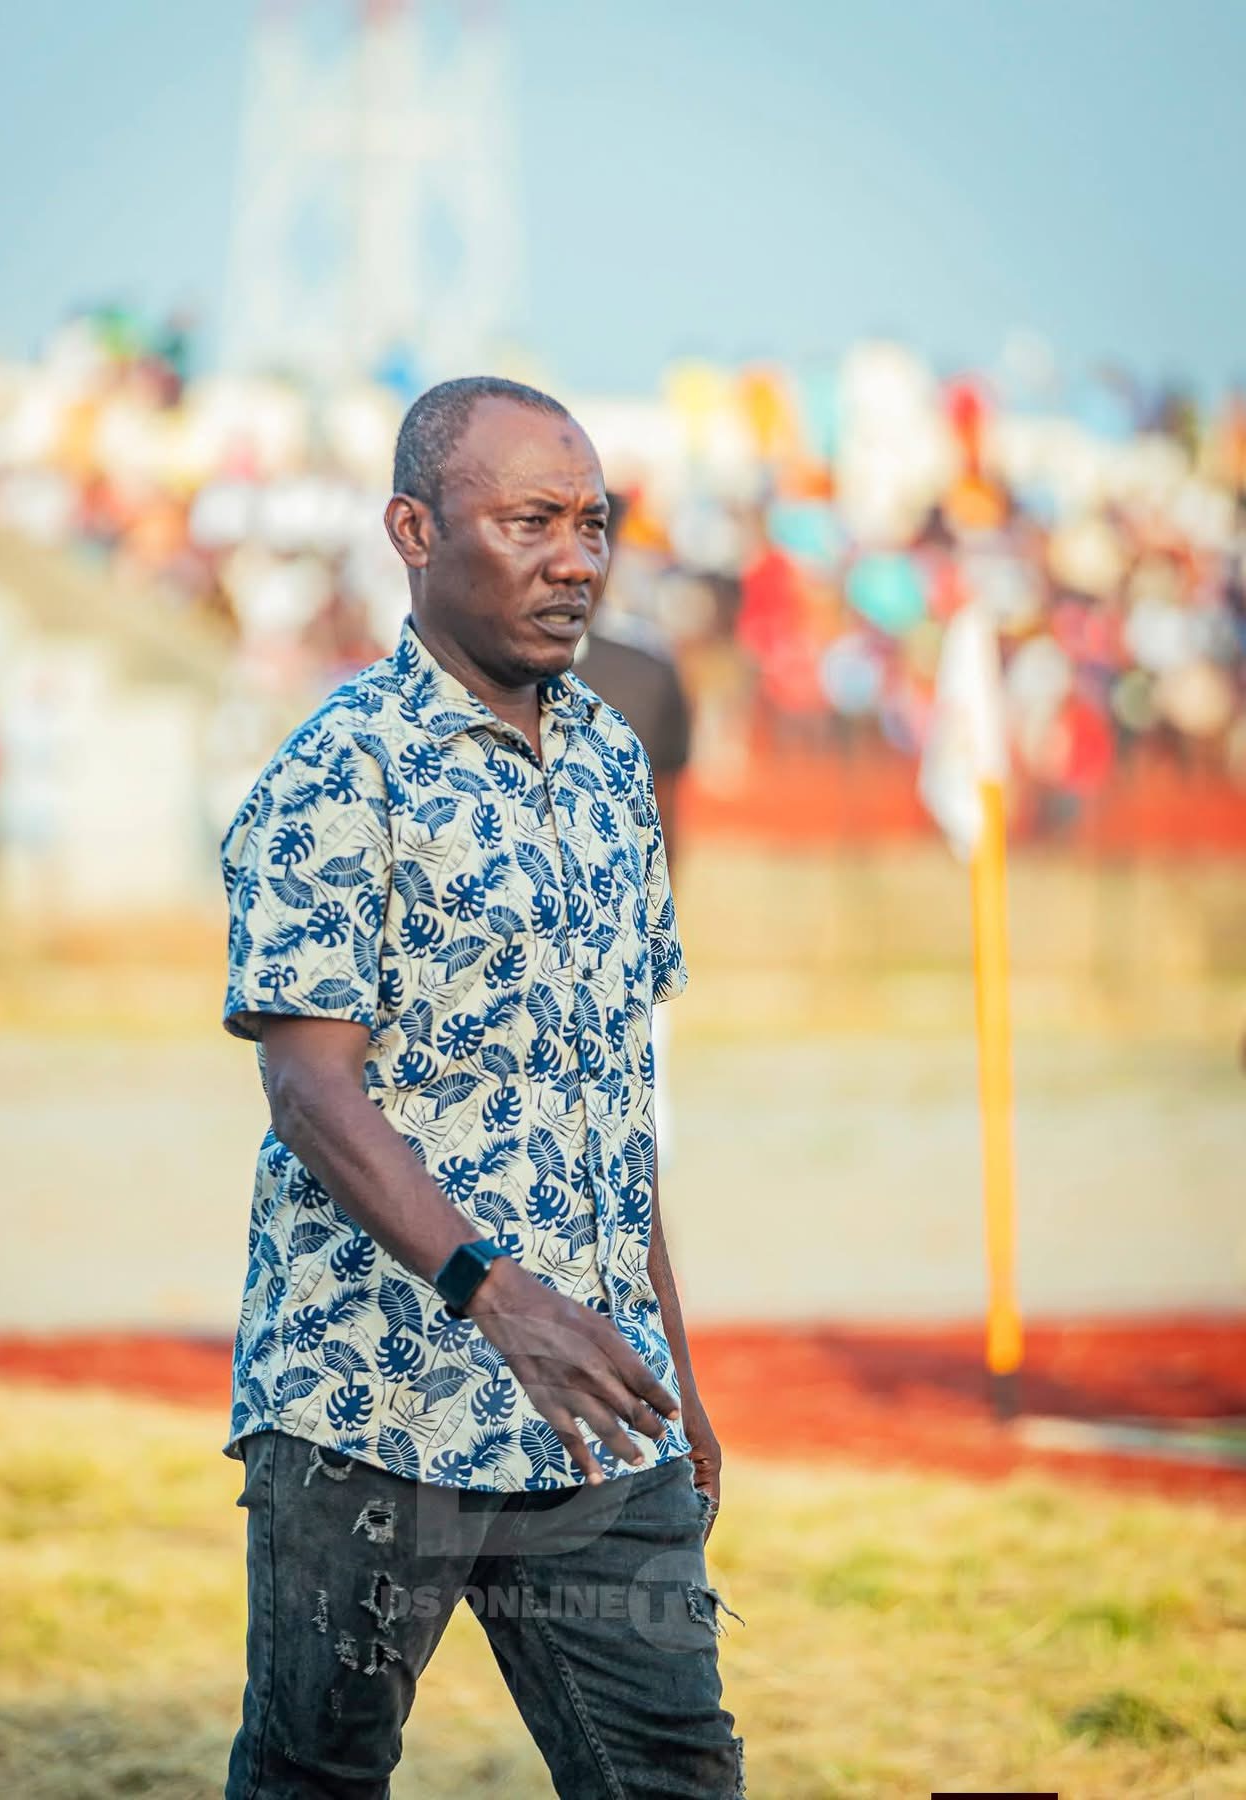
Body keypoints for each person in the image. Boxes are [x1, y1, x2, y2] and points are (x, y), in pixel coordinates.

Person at [219, 376, 744, 1798]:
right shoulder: (339, 771)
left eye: (593, 524)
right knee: (316, 1775)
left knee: (676, 1773)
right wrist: (498, 1300)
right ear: (414, 530)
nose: (576, 561)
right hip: (370, 1408)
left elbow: (611, 1104)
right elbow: (309, 1090)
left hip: (596, 1417)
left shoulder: (615, 767)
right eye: (530, 523)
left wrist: (672, 1363)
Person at [572, 492, 693, 1167]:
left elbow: (668, 809)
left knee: (635, 1140)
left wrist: (652, 911)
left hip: (625, 929)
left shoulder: (646, 669)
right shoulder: (477, 668)